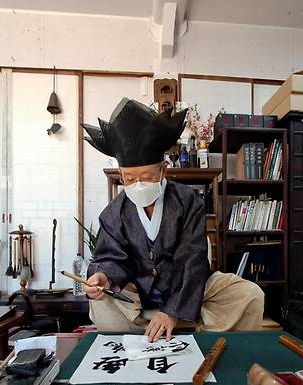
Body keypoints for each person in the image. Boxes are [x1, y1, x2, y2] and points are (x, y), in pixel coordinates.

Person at [82, 98, 265, 342]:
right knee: (101, 302)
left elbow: (193, 259)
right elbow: (111, 258)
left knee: (249, 294)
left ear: (163, 171)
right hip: (140, 288)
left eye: (146, 176)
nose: (137, 185)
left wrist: (172, 310)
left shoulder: (188, 201)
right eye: (129, 178)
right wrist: (103, 276)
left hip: (187, 284)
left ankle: (204, 342)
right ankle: (138, 342)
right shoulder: (114, 212)